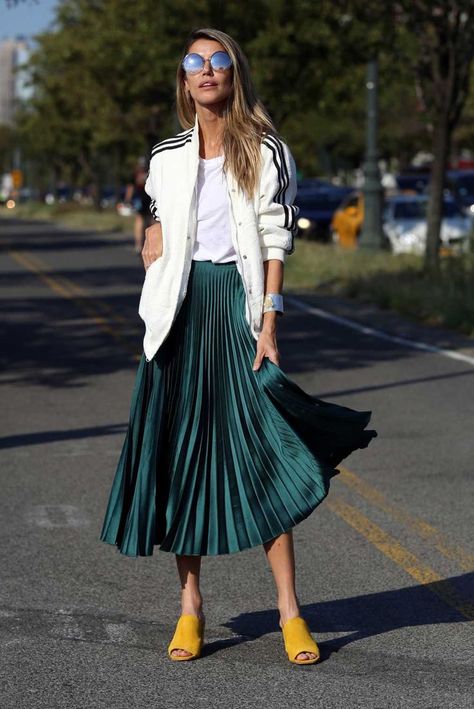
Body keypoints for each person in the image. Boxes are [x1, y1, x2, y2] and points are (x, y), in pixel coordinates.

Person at [99, 27, 377, 665]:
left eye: (217, 60)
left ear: (233, 72)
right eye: (194, 63)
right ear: (184, 79)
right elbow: (161, 215)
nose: (206, 71)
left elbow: (276, 239)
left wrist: (270, 322)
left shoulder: (267, 148)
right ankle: (190, 607)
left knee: (261, 453)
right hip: (178, 313)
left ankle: (289, 612)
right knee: (179, 455)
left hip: (236, 309)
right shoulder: (167, 153)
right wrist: (151, 229)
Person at [124, 157, 153, 253]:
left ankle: (139, 244)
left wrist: (127, 200)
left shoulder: (136, 174)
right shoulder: (151, 172)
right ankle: (144, 244)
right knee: (148, 221)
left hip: (141, 198)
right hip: (148, 198)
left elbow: (130, 188)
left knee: (140, 220)